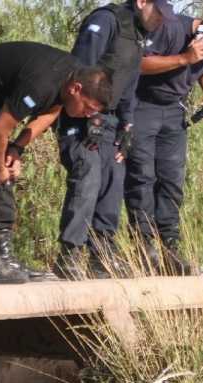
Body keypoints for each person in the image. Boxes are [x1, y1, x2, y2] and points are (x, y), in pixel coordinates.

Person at [0, 41, 112, 284]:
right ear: (76, 89)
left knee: (5, 166)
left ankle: (4, 257)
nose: (88, 116)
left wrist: (17, 148)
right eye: (88, 108)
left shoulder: (74, 74)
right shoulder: (42, 82)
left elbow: (51, 112)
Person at [53, 0, 173, 280]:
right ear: (142, 2)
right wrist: (88, 118)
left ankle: (101, 255)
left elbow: (128, 83)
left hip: (112, 120)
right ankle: (69, 254)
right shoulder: (107, 20)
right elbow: (79, 69)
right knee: (88, 175)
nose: (161, 20)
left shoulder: (139, 35)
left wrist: (127, 123)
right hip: (81, 114)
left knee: (113, 181)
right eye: (158, 13)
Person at [125, 9, 203, 275]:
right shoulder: (170, 27)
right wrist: (184, 58)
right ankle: (143, 245)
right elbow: (138, 64)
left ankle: (169, 247)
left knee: (171, 182)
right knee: (142, 177)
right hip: (143, 105)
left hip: (174, 114)